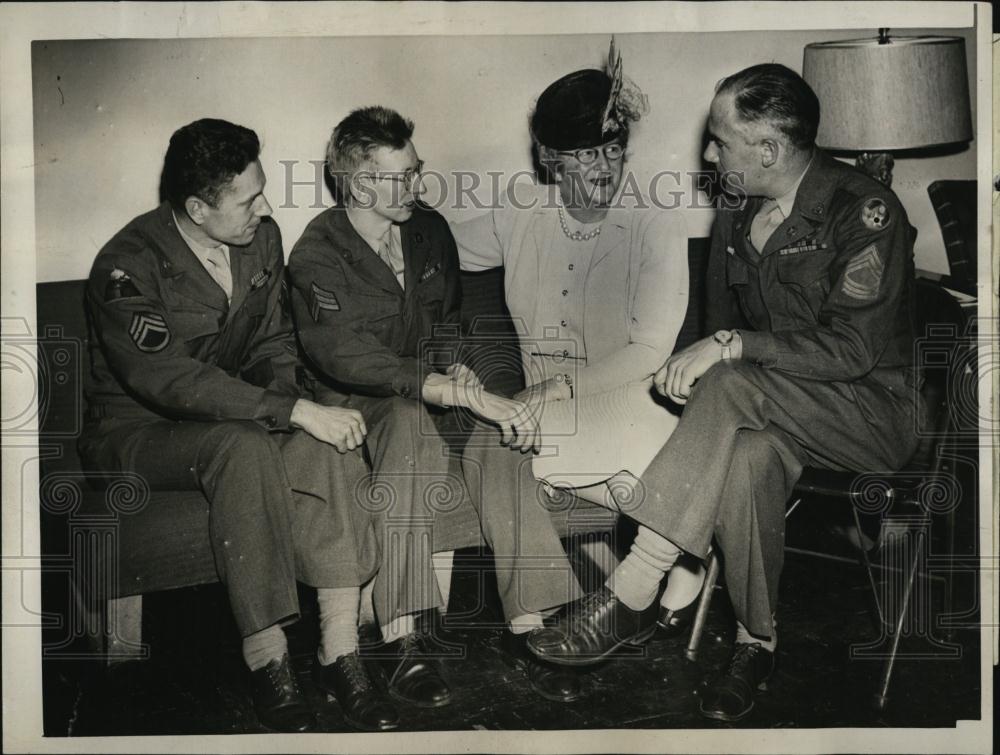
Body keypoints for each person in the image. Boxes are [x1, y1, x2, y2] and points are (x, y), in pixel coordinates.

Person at [527, 63, 921, 723]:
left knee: (735, 381)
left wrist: (735, 348)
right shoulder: (736, 206)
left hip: (870, 413)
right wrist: (714, 362)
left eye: (720, 140)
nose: (707, 154)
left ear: (768, 150)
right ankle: (754, 641)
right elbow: (715, 327)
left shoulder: (866, 211)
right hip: (771, 410)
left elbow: (851, 352)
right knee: (747, 458)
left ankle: (634, 586)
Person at [78, 118, 381, 732]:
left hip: (232, 413)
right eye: (249, 198)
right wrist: (288, 411)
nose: (265, 207)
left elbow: (272, 342)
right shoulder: (125, 266)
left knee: (331, 439)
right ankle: (268, 659)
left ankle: (340, 647)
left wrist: (303, 407)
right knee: (243, 445)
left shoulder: (260, 239)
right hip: (139, 432)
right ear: (196, 207)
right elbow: (168, 380)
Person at [452, 40, 690, 697]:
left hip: (631, 407)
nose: (604, 167)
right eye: (585, 154)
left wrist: (551, 388)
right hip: (547, 415)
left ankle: (576, 607)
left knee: (501, 441)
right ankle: (542, 619)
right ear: (549, 158)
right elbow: (437, 241)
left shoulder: (654, 220)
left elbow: (650, 348)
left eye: (613, 149)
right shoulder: (519, 211)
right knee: (494, 442)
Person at [288, 106, 540, 721]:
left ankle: (535, 616)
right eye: (398, 178)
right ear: (356, 182)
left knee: (499, 434)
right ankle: (409, 633)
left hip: (426, 388)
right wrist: (436, 387)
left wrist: (462, 374)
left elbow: (447, 322)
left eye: (416, 171)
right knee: (406, 421)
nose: (415, 187)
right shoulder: (317, 254)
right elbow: (345, 357)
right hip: (357, 402)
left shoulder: (427, 229)